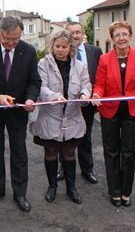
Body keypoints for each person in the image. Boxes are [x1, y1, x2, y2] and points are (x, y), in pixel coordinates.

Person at [0, 15, 41, 212]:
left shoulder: (29, 51)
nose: (12, 43)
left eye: (16, 39)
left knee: (19, 152)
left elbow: (34, 81)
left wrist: (31, 99)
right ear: (0, 32)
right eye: (8, 39)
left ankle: (20, 193)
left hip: (18, 111)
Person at [92, 21, 135, 208]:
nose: (121, 38)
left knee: (129, 153)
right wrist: (96, 94)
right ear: (112, 38)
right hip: (110, 110)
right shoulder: (104, 59)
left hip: (132, 112)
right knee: (111, 152)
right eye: (117, 35)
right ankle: (114, 191)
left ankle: (126, 192)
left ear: (130, 36)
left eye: (124, 34)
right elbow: (99, 84)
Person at [30, 31, 91, 204]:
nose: (60, 50)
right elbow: (40, 86)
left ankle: (71, 188)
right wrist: (54, 96)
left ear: (70, 47)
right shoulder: (43, 63)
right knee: (51, 151)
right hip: (50, 117)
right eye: (57, 46)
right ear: (52, 46)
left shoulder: (80, 66)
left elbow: (86, 85)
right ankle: (52, 186)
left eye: (64, 47)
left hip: (72, 117)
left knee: (69, 151)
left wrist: (85, 94)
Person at [57, 22, 102, 184]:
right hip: (66, 104)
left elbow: (99, 76)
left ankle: (87, 169)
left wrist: (93, 95)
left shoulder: (95, 51)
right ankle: (63, 168)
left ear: (83, 34)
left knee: (85, 137)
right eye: (72, 33)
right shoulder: (64, 52)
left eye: (78, 32)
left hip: (86, 104)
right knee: (64, 137)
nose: (75, 36)